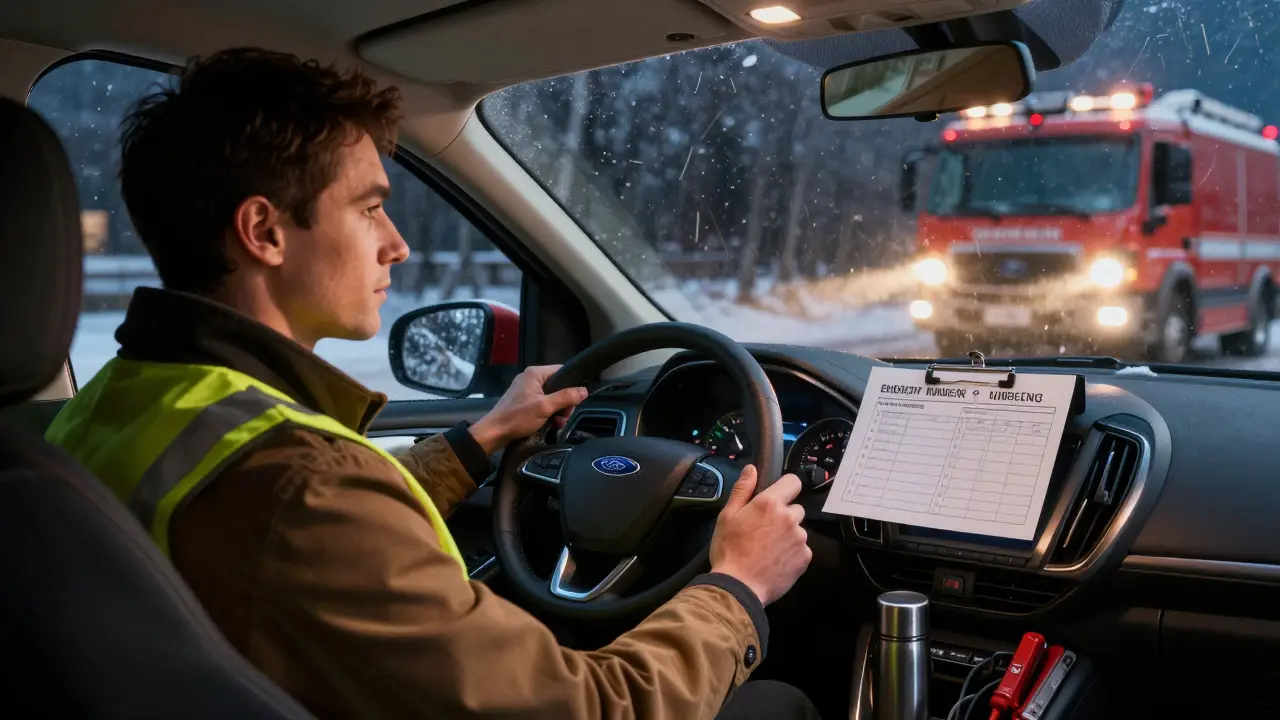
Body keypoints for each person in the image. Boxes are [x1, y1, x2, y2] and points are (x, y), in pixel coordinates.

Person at [44, 48, 819, 719]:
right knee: (775, 704)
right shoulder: (301, 486)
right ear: (265, 232)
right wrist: (736, 585)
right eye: (371, 209)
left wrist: (476, 443)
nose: (399, 245)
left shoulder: (117, 405)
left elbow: (294, 517)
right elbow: (591, 708)